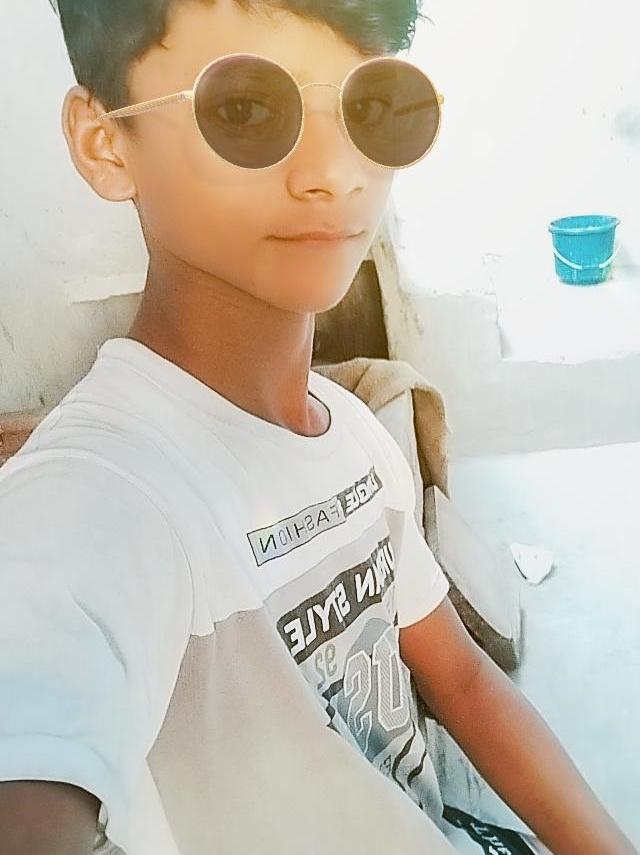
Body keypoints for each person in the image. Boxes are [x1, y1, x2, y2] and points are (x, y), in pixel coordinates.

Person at [0, 1, 636, 854]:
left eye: (375, 107)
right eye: (246, 108)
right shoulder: (93, 498)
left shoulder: (353, 434)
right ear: (105, 142)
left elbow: (460, 678)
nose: (337, 172)